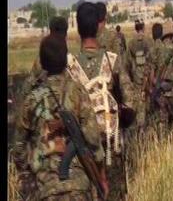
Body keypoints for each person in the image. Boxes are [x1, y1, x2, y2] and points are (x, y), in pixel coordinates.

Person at [13, 34, 108, 200]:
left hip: (44, 188)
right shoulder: (78, 92)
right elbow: (93, 140)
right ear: (65, 60)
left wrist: (29, 175)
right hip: (78, 187)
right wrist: (101, 175)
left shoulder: (31, 99)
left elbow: (19, 149)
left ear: (42, 63)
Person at [66, 2, 135, 201]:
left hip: (80, 156)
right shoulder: (112, 61)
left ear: (78, 28)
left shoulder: (70, 67)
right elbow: (132, 102)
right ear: (98, 25)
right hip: (110, 150)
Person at [148, 25, 173, 127]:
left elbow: (151, 73)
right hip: (172, 89)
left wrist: (153, 87)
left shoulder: (157, 50)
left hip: (160, 88)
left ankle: (163, 140)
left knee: (162, 119)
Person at [124, 20, 154, 131]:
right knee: (149, 99)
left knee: (140, 101)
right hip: (149, 75)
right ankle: (147, 124)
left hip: (136, 75)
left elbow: (127, 62)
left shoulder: (131, 43)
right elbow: (152, 60)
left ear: (135, 28)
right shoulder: (149, 41)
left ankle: (140, 126)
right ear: (143, 28)